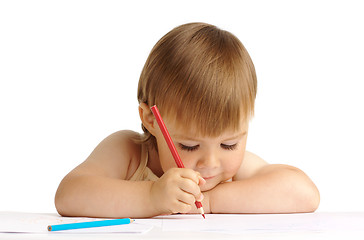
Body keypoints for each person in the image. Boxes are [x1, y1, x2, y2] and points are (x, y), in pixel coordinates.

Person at [55, 22, 320, 218]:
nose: (211, 164)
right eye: (190, 146)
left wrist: (210, 200)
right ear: (151, 119)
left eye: (229, 144)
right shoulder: (130, 153)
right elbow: (69, 195)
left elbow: (304, 193)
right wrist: (152, 196)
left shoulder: (233, 171)